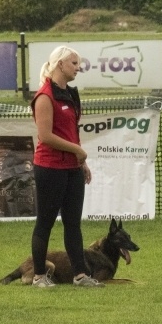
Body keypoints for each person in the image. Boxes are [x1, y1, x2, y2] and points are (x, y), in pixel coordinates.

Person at [29, 46, 104, 288]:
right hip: (49, 167)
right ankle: (39, 276)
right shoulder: (44, 96)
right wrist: (78, 151)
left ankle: (80, 275)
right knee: (45, 223)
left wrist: (81, 162)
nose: (78, 68)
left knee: (73, 223)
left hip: (72, 168)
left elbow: (72, 133)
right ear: (60, 64)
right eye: (74, 63)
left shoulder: (71, 95)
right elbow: (46, 136)